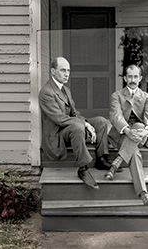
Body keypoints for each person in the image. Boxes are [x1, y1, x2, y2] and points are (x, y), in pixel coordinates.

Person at [39, 57, 113, 189]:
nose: (67, 73)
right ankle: (83, 169)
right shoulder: (46, 92)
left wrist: (86, 122)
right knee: (77, 126)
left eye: (68, 70)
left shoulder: (65, 90)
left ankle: (101, 159)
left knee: (101, 121)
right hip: (57, 136)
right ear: (53, 71)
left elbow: (74, 113)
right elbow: (59, 119)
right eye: (63, 70)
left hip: (71, 129)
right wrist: (84, 124)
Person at [105, 64, 148, 206]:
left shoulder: (147, 97)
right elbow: (116, 116)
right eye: (130, 76)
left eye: (135, 76)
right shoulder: (116, 96)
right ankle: (143, 193)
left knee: (140, 126)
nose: (133, 80)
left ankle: (116, 163)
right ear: (125, 78)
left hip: (140, 134)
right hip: (122, 134)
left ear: (140, 78)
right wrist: (127, 130)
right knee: (134, 153)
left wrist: (146, 130)